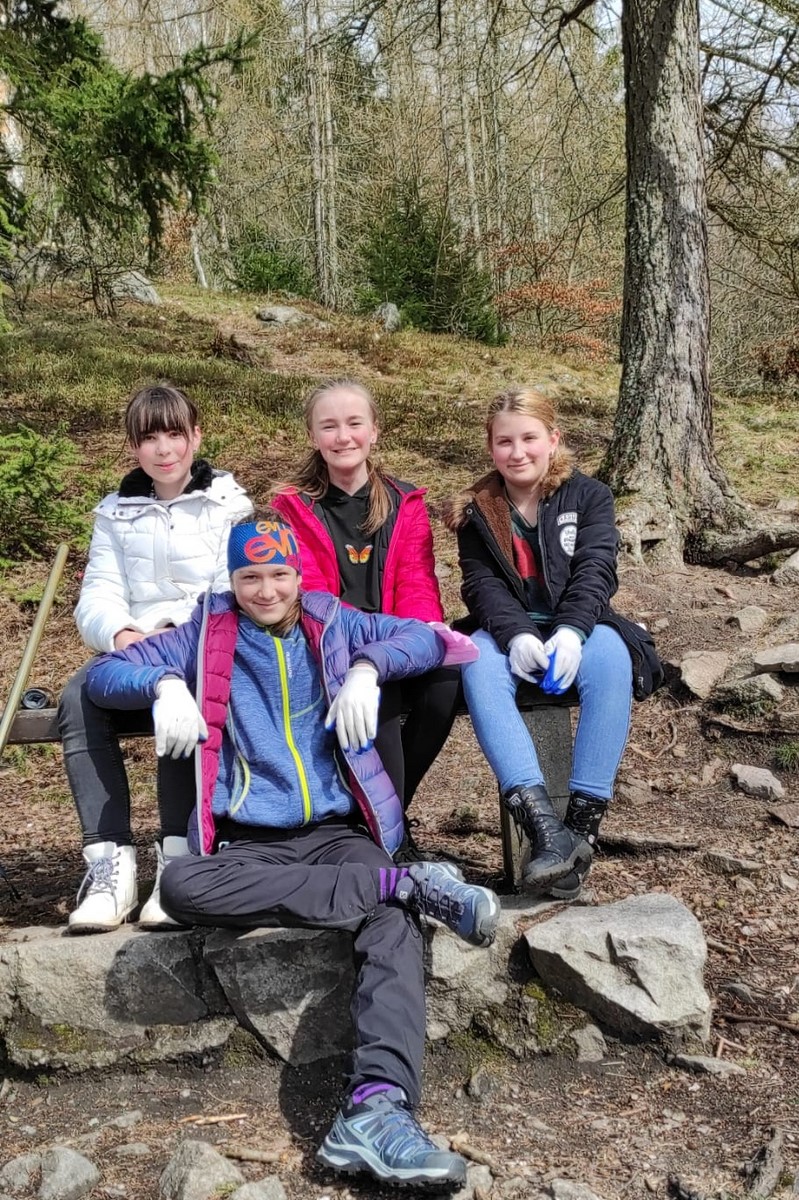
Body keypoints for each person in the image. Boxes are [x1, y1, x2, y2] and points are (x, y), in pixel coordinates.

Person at [84, 510, 499, 1189]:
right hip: (249, 844)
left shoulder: (335, 623)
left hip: (336, 837)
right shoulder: (204, 634)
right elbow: (104, 674)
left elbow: (435, 640)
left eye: (278, 573)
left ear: (299, 574)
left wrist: (366, 667)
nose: (266, 590)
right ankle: (404, 883)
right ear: (232, 579)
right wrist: (162, 684)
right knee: (183, 886)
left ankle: (378, 1108)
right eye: (249, 576)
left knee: (392, 922)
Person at [447, 387, 662, 899]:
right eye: (504, 441)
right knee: (478, 662)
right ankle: (546, 830)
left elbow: (596, 568)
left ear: (553, 439)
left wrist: (571, 630)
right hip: (510, 630)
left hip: (580, 623)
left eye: (529, 438)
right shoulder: (476, 510)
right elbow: (481, 584)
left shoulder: (590, 496)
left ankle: (581, 831)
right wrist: (516, 633)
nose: (517, 451)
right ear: (490, 446)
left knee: (610, 658)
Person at [58, 383, 252, 934]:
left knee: (185, 694)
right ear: (134, 447)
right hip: (132, 648)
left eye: (175, 434)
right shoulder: (114, 514)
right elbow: (99, 592)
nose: (164, 449)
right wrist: (121, 634)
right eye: (149, 438)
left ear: (196, 437)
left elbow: (231, 588)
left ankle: (178, 860)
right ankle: (110, 866)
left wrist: (173, 634)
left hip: (199, 642)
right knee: (77, 696)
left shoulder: (229, 505)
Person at [271, 380, 461, 829]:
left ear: (374, 430)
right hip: (330, 644)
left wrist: (409, 640)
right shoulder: (293, 507)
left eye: (354, 423)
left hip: (393, 639)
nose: (343, 437)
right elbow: (311, 598)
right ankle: (383, 832)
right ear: (313, 436)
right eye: (329, 426)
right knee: (382, 692)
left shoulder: (404, 502)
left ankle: (381, 818)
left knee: (446, 683)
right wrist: (370, 651)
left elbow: (417, 583)